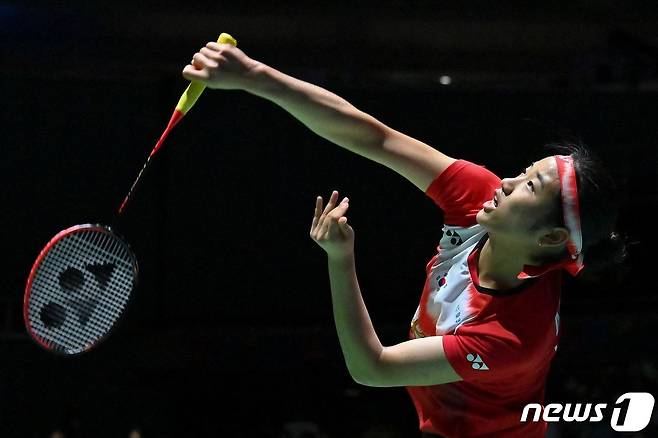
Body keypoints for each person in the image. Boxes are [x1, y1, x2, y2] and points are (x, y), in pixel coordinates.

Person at [182, 40, 627, 438]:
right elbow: (372, 136)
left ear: (550, 236)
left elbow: (371, 367)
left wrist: (340, 258)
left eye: (527, 188)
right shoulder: (479, 197)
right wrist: (255, 76)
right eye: (524, 172)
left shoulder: (509, 337)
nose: (506, 182)